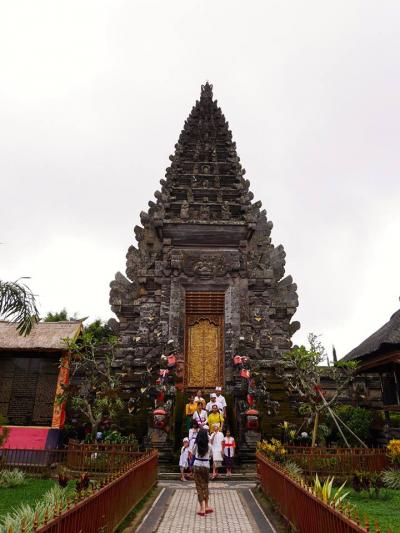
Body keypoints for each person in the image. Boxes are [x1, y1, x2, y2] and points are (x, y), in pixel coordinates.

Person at [191, 428, 213, 516]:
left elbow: (192, 453)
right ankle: (207, 506)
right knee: (206, 485)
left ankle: (202, 508)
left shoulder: (196, 445)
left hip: (197, 465)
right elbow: (211, 455)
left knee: (199, 486)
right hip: (206, 466)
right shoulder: (209, 446)